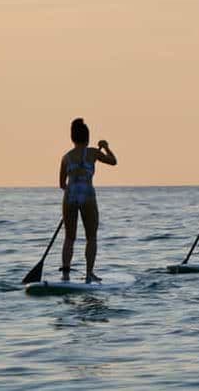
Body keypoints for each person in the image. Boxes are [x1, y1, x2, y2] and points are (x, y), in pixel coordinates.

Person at [59, 118, 117, 283]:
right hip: (88, 197)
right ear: (87, 137)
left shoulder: (66, 157)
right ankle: (89, 274)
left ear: (73, 138)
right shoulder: (93, 153)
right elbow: (113, 161)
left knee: (69, 238)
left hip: (70, 196)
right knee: (91, 237)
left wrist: (72, 192)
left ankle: (65, 275)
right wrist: (105, 147)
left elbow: (62, 184)